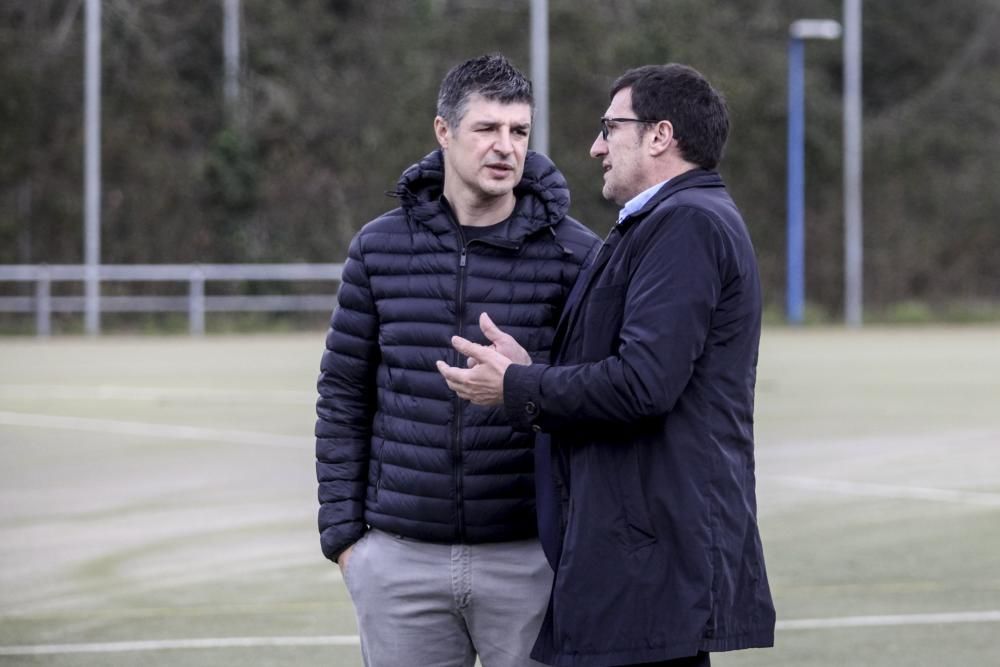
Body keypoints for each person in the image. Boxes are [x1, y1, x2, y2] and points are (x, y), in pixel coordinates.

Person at [437, 63, 776, 667]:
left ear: (659, 135)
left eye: (609, 127)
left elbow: (643, 385)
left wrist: (518, 385)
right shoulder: (658, 222)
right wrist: (534, 367)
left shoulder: (687, 224)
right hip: (638, 560)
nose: (595, 146)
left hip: (651, 564)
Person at [315, 53, 600, 667]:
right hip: (397, 560)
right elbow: (343, 393)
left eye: (519, 131)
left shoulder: (578, 256)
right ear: (444, 132)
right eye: (487, 129)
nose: (506, 147)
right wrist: (346, 540)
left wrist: (531, 382)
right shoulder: (378, 247)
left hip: (531, 559)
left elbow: (600, 395)